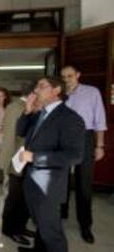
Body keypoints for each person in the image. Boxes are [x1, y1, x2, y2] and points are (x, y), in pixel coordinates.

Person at [16, 76, 85, 252]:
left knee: (51, 232)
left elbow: (75, 156)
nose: (36, 91)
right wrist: (27, 111)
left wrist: (36, 157)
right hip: (31, 180)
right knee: (40, 224)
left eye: (41, 86)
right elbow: (20, 131)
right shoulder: (40, 114)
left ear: (56, 90)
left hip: (49, 186)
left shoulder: (70, 118)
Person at [60, 65, 107, 243]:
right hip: (63, 138)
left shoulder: (91, 92)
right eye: (64, 77)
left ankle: (85, 224)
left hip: (85, 137)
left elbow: (100, 120)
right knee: (60, 178)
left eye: (70, 76)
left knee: (84, 183)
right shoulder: (60, 93)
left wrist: (100, 145)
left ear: (78, 75)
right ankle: (61, 212)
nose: (67, 80)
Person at [0, 82, 36, 246]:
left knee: (23, 198)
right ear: (32, 93)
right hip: (18, 160)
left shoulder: (15, 105)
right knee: (14, 198)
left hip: (19, 159)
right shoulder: (19, 108)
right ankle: (9, 229)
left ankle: (20, 227)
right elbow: (17, 137)